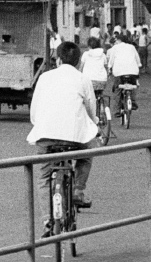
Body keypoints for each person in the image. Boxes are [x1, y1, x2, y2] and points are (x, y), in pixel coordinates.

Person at [28, 40, 100, 209]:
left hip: (45, 136)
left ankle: (47, 222)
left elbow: (34, 111)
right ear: (78, 62)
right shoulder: (83, 79)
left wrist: (39, 124)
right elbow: (91, 110)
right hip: (74, 138)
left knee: (44, 177)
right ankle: (78, 190)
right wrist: (94, 125)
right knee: (86, 155)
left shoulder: (44, 77)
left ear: (58, 60)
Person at [107, 31, 143, 110]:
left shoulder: (115, 48)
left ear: (119, 40)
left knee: (117, 89)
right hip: (133, 71)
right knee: (133, 85)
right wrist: (139, 65)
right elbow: (138, 60)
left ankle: (117, 109)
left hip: (119, 73)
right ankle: (133, 100)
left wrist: (109, 68)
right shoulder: (132, 47)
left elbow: (111, 60)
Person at [78, 37, 109, 105]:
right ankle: (102, 107)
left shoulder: (86, 54)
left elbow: (81, 68)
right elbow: (106, 68)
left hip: (89, 81)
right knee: (100, 93)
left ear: (89, 46)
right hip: (102, 81)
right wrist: (108, 75)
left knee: (86, 97)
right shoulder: (103, 55)